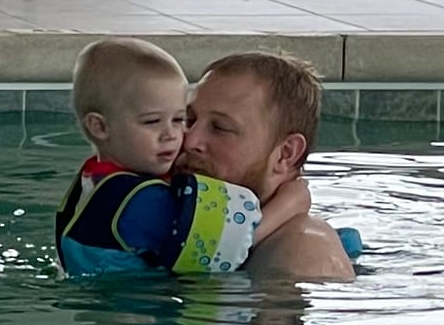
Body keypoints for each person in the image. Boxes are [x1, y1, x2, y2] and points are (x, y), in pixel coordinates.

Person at [55, 37, 312, 279]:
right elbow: (224, 248)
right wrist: (289, 204)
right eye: (189, 120)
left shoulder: (94, 178)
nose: (184, 139)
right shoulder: (140, 201)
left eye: (178, 120)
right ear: (99, 127)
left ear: (287, 153)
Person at [181, 51, 356, 284]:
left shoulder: (303, 253)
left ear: (286, 154)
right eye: (188, 120)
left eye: (220, 128)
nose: (190, 141)